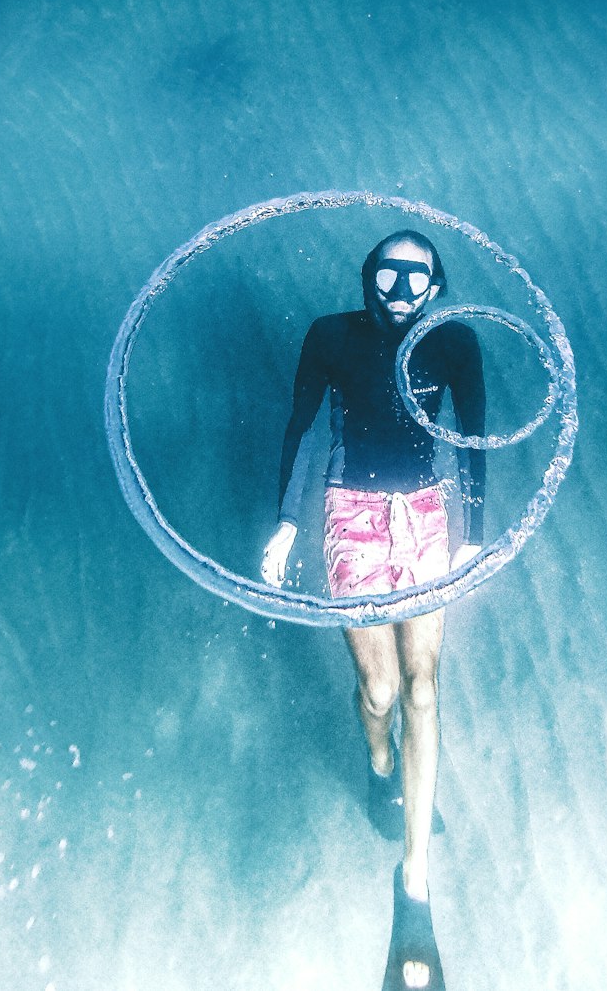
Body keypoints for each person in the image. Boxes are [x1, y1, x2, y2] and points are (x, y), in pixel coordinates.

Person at [261, 230, 486, 991]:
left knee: (424, 688)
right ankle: (378, 765)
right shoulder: (329, 336)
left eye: (414, 274)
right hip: (352, 513)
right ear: (368, 279)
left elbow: (475, 442)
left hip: (426, 517)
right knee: (382, 692)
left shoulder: (455, 343)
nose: (397, 285)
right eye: (385, 272)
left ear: (436, 285)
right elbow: (301, 428)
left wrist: (470, 542)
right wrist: (286, 523)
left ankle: (414, 882)